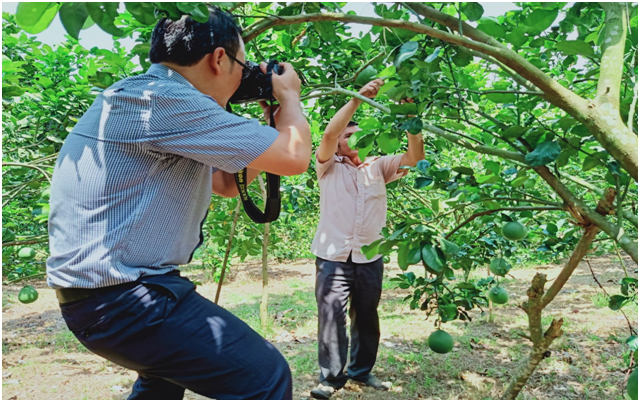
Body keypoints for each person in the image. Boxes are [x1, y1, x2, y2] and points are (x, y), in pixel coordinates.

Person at [46, 8, 310, 400]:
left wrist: (271, 128)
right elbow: (295, 158)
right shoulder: (165, 100)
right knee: (264, 376)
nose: (243, 76)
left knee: (161, 386)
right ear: (219, 59)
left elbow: (224, 184)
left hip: (116, 294)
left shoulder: (148, 96)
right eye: (242, 64)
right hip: (124, 299)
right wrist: (289, 97)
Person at [309, 80, 425, 399]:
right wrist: (359, 98)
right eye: (347, 134)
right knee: (332, 316)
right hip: (333, 257)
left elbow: (414, 158)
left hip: (370, 256)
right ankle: (331, 378)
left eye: (355, 133)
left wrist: (410, 116)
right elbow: (330, 135)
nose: (349, 137)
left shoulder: (378, 166)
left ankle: (361, 371)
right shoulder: (328, 166)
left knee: (367, 316)